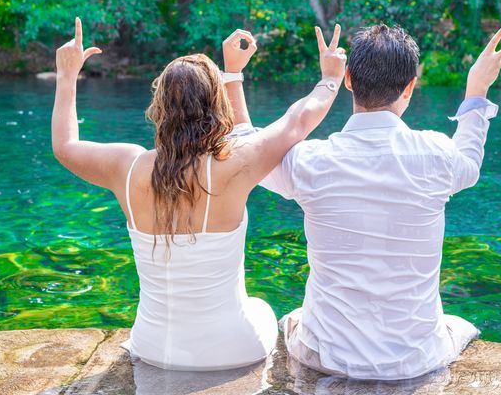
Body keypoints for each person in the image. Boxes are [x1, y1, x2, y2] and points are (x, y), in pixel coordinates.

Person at [230, 24, 501, 380]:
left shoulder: (310, 161)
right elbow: (470, 161)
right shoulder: (436, 156)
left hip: (326, 357)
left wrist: (233, 73)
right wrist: (477, 88)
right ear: (410, 88)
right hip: (416, 360)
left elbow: (246, 151)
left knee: (291, 318)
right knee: (460, 326)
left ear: (349, 80)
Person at [51, 18, 347, 371]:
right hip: (233, 349)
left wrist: (67, 75)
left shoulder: (127, 167)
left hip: (153, 346)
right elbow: (298, 121)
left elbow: (66, 146)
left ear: (159, 107)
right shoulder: (235, 163)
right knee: (263, 308)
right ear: (215, 106)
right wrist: (330, 78)